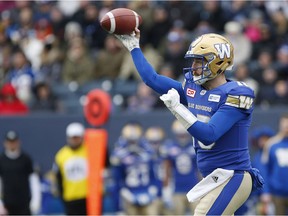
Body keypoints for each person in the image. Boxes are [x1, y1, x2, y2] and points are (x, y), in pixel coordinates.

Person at [114, 29, 264, 215]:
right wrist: (134, 47)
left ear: (218, 62)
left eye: (199, 61)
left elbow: (209, 135)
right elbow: (151, 79)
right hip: (213, 178)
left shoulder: (235, 93)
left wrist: (178, 109)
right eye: (193, 60)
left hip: (233, 176)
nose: (193, 66)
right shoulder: (193, 88)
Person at [110, 122, 159, 215]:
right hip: (129, 194)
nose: (133, 144)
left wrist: (153, 190)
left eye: (134, 140)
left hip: (147, 191)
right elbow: (117, 180)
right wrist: (121, 202)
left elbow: (154, 175)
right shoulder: (120, 155)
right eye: (130, 141)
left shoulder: (147, 152)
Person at [0, 130, 41, 215]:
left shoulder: (25, 159)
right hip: (7, 204)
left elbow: (33, 180)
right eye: (10, 142)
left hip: (24, 203)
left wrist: (35, 201)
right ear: (5, 143)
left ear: (18, 142)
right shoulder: (1, 160)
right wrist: (0, 204)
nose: (12, 144)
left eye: (14, 141)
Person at [162, 120, 199, 215]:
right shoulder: (170, 147)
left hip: (194, 188)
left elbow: (200, 170)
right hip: (178, 189)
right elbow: (167, 169)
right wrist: (166, 188)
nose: (182, 137)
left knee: (198, 213)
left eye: (184, 135)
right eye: (180, 135)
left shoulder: (194, 146)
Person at [53, 122, 88, 215]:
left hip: (89, 197)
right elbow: (58, 178)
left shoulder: (89, 150)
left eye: (77, 137)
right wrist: (62, 196)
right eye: (73, 138)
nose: (75, 140)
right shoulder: (61, 155)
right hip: (71, 198)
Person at [261, 113, 288, 215]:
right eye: (284, 125)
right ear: (280, 126)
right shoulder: (271, 144)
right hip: (277, 193)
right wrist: (266, 191)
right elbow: (265, 170)